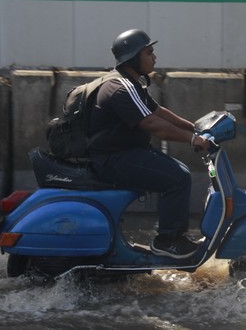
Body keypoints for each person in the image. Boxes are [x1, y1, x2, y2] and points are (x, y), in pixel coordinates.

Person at [88, 28, 210, 259]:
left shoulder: (132, 84)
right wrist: (193, 140)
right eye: (149, 53)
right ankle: (167, 240)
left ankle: (172, 237)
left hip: (126, 153)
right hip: (114, 159)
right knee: (178, 178)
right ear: (133, 58)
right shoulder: (121, 88)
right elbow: (153, 124)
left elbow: (158, 111)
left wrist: (194, 127)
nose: (154, 57)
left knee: (180, 172)